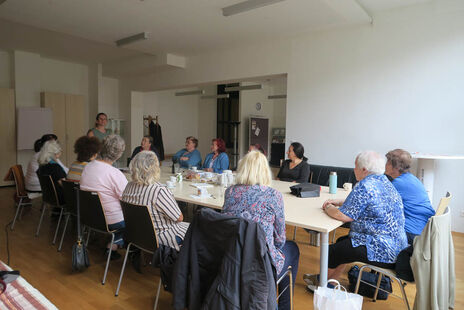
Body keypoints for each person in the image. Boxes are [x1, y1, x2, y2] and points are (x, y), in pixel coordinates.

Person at [304, 151, 408, 290]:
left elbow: (343, 216)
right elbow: (364, 202)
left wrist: (328, 206)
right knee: (343, 243)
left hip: (381, 250)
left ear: (364, 170)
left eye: (355, 166)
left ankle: (321, 285)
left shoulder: (365, 185)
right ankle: (331, 281)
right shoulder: (384, 182)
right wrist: (338, 202)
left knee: (332, 251)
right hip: (397, 247)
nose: (354, 169)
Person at [222, 151, 299, 310]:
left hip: (232, 261)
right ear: (265, 171)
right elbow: (279, 240)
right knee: (293, 249)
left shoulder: (230, 192)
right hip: (261, 267)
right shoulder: (273, 195)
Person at [122, 151, 189, 250]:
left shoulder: (128, 186)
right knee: (196, 228)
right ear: (155, 168)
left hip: (136, 235)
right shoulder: (159, 191)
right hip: (161, 238)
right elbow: (179, 218)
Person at [80, 135, 127, 259]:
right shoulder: (115, 173)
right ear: (118, 154)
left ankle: (112, 243)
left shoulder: (87, 167)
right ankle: (113, 246)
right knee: (139, 220)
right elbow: (128, 200)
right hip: (110, 221)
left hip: (90, 217)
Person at [385, 149, 435, 245]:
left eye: (387, 162)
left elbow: (378, 203)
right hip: (423, 228)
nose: (385, 165)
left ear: (395, 167)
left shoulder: (398, 183)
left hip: (413, 232)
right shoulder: (411, 178)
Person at [36, 140, 67, 204]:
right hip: (60, 198)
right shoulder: (55, 167)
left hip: (49, 197)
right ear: (55, 153)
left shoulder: (42, 166)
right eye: (60, 150)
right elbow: (64, 185)